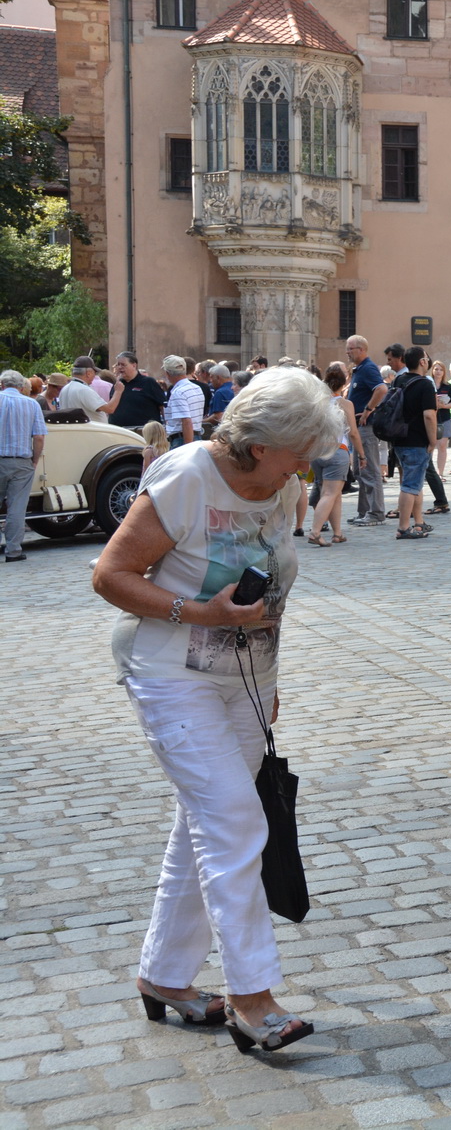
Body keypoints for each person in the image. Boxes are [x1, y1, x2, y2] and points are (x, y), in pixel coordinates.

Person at [91, 366, 339, 1054]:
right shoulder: (185, 478)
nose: (311, 462)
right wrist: (196, 610)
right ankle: (252, 998)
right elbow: (109, 574)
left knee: (204, 825)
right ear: (261, 444)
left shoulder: (283, 486)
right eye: (303, 448)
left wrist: (270, 675)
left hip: (245, 680)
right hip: (172, 672)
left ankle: (164, 975)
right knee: (234, 820)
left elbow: (274, 585)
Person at [308, 363, 360, 547]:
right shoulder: (345, 404)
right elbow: (353, 432)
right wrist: (361, 454)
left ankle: (337, 533)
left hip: (317, 452)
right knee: (330, 494)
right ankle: (315, 531)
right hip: (337, 451)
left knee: (334, 494)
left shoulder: (317, 403)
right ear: (343, 384)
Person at [390, 347, 439, 539]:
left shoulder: (399, 380)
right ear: (422, 362)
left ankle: (419, 522)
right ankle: (403, 527)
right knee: (410, 485)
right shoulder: (425, 384)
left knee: (415, 482)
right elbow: (429, 415)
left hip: (399, 437)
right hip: (417, 440)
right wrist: (433, 439)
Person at [0, 369, 47, 563]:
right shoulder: (31, 404)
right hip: (21, 460)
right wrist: (35, 460)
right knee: (17, 508)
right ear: (21, 387)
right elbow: (38, 437)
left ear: (1, 385)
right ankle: (13, 551)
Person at [342, 336, 386, 526]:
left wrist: (368, 409)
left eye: (350, 349)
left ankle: (376, 513)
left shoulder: (368, 368)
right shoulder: (359, 370)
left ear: (361, 349)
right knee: (361, 472)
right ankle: (364, 511)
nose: (348, 352)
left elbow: (382, 389)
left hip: (366, 428)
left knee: (370, 470)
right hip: (358, 428)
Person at [104, 352, 169, 433]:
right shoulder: (118, 385)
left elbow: (163, 407)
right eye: (118, 365)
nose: (120, 367)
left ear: (134, 365)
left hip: (144, 432)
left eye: (123, 365)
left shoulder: (148, 382)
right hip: (119, 432)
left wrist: (167, 428)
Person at [162, 357, 202, 448]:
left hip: (182, 439)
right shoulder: (196, 388)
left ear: (167, 373)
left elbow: (186, 421)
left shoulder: (178, 392)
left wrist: (187, 448)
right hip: (195, 436)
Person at [430, 361, 451, 477]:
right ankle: (429, 472)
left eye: (440, 369)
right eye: (436, 369)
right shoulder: (428, 384)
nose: (438, 372)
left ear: (444, 372)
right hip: (431, 418)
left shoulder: (448, 386)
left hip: (444, 417)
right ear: (432, 371)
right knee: (430, 445)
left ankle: (440, 473)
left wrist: (444, 405)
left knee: (443, 445)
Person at [204, 365, 235, 432]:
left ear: (218, 378)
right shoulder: (235, 388)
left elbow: (218, 416)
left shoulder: (220, 392)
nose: (210, 380)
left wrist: (202, 421)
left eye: (212, 377)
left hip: (222, 430)